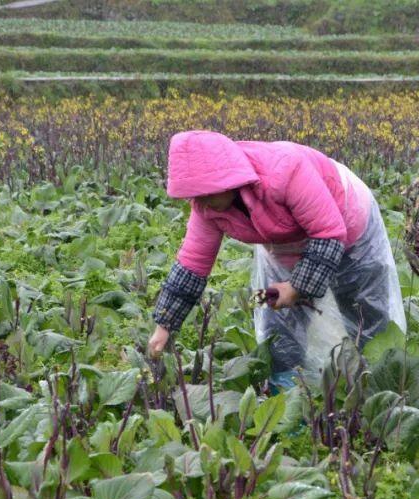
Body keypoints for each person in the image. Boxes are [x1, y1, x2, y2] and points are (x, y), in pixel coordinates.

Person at [146, 130, 405, 390]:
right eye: (194, 195)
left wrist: (296, 288)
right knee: (274, 317)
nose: (201, 202)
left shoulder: (285, 169)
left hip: (349, 226)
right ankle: (286, 394)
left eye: (206, 193)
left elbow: (329, 232)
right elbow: (192, 264)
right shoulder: (207, 206)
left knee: (364, 312)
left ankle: (379, 389)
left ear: (228, 180)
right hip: (282, 243)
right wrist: (165, 324)